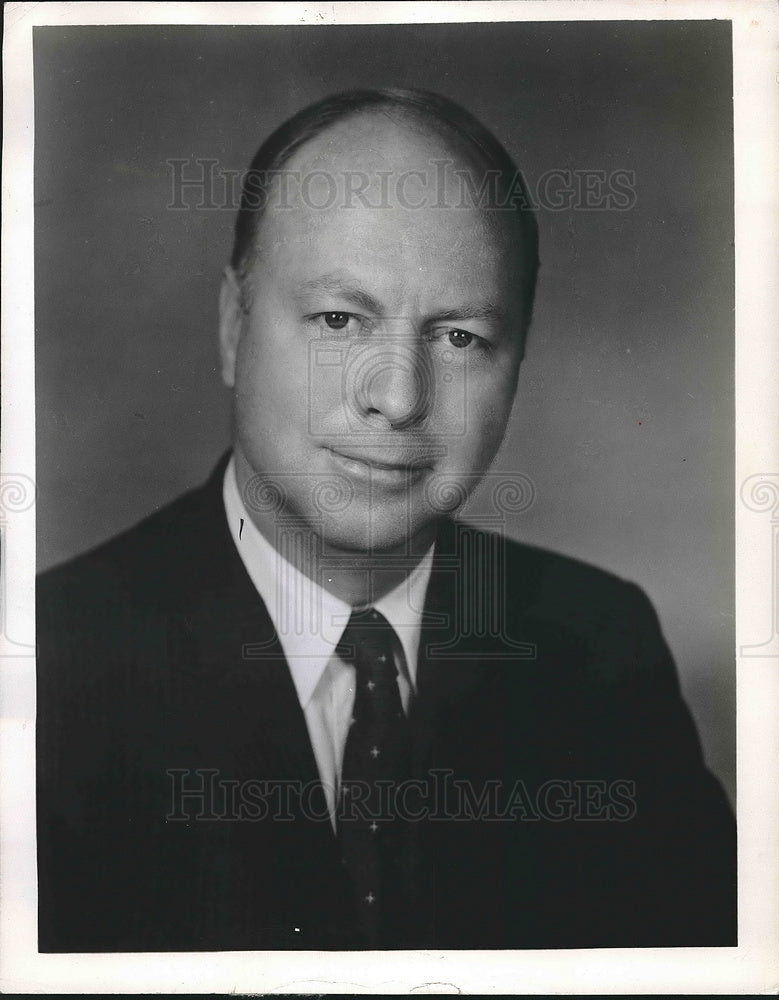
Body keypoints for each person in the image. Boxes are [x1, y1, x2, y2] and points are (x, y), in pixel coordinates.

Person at [36, 88, 736, 952]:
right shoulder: (47, 667)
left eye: (460, 338)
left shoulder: (598, 653)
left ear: (517, 362)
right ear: (232, 329)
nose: (399, 397)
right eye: (339, 320)